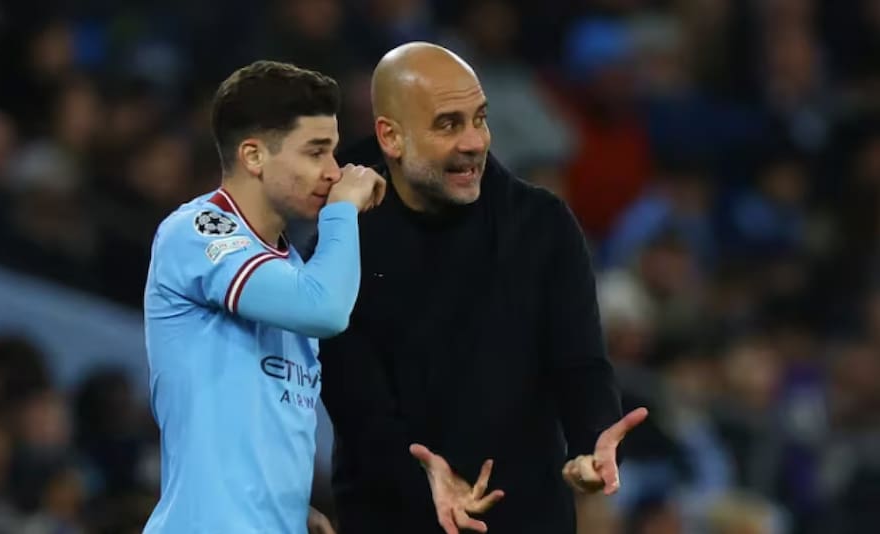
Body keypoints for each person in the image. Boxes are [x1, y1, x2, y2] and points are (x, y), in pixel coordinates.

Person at [319, 42, 648, 534]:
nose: (474, 141)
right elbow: (357, 403)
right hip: (391, 518)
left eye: (480, 118)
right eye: (448, 124)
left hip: (528, 517)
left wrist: (592, 441)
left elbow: (579, 362)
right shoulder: (340, 227)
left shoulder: (541, 224)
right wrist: (422, 479)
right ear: (391, 137)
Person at [142, 60, 385, 534]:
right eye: (316, 152)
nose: (334, 173)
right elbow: (327, 310)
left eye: (334, 153)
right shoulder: (196, 231)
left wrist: (288, 513)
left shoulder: (291, 270)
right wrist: (342, 214)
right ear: (253, 156)